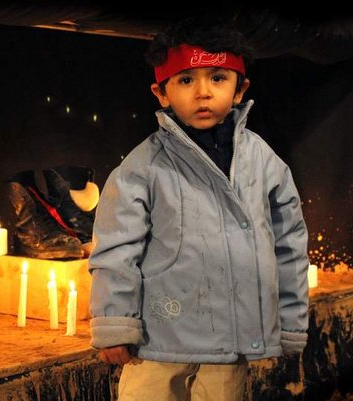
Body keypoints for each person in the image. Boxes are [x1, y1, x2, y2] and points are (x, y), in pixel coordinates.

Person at [88, 16, 310, 401]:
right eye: (186, 80)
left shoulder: (264, 162)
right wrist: (115, 324)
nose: (203, 92)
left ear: (240, 89)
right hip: (161, 335)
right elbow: (116, 248)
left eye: (218, 78)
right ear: (162, 93)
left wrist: (290, 320)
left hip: (232, 334)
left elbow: (289, 244)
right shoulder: (143, 167)